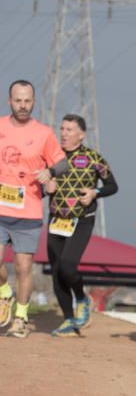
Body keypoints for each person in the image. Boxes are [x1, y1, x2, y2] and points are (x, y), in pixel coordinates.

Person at [0, 80, 68, 337]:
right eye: (18, 100)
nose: (23, 105)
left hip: (27, 211)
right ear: (10, 101)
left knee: (23, 267)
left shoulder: (43, 133)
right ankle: (4, 294)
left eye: (27, 100)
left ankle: (21, 317)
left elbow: (62, 163)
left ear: (33, 102)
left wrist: (49, 171)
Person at [45, 114, 118, 337]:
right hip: (56, 220)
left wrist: (94, 192)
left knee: (68, 265)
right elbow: (36, 188)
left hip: (82, 219)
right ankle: (69, 320)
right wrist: (45, 188)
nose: (64, 133)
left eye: (69, 130)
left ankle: (82, 298)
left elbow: (112, 186)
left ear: (81, 134)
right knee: (57, 273)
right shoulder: (52, 158)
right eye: (62, 128)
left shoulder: (93, 158)